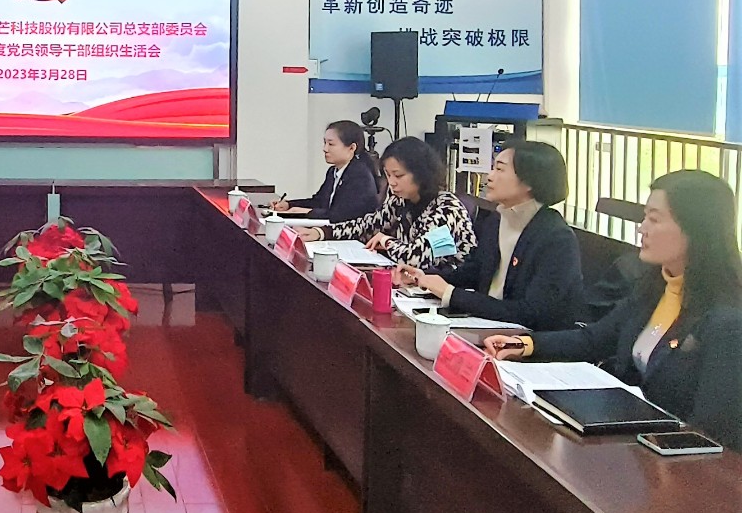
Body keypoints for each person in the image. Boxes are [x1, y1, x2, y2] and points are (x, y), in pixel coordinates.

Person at [486, 169, 742, 449]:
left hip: (670, 456)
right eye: (644, 217)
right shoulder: (654, 285)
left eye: (654, 219)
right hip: (626, 437)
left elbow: (712, 431)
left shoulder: (727, 320)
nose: (642, 228)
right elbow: (596, 339)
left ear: (696, 230)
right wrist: (525, 344)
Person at [401, 142, 586, 329]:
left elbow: (532, 313)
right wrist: (424, 277)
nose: (489, 176)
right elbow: (475, 272)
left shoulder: (556, 237)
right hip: (488, 323)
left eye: (500, 169)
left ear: (529, 182)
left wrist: (451, 294)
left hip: (526, 337)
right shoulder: (497, 220)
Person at [301, 136, 474, 268]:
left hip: (450, 287)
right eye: (388, 175)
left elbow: (417, 257)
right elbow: (368, 225)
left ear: (421, 174)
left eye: (398, 175)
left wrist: (386, 241)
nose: (392, 182)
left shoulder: (446, 208)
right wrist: (322, 232)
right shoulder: (400, 200)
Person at [271, 120, 380, 223]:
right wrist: (289, 205)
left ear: (352, 148)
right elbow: (319, 202)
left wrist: (308, 212)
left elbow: (342, 215)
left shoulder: (360, 176)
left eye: (331, 144)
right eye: (325, 143)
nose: (325, 149)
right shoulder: (333, 171)